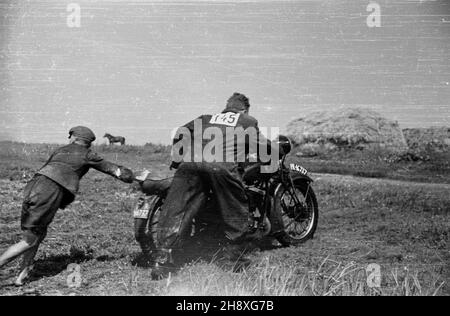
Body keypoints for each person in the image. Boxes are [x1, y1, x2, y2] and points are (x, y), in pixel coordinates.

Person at [150, 93, 289, 279]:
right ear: (244, 109)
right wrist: (278, 150)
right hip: (221, 167)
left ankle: (163, 261)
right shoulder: (247, 120)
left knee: (176, 210)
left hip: (190, 164)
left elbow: (180, 134)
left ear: (226, 107)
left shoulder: (206, 118)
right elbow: (264, 148)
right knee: (237, 209)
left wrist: (177, 160)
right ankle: (231, 259)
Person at [0, 126, 134, 286]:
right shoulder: (88, 154)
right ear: (88, 142)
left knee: (36, 233)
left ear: (74, 138)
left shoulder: (60, 150)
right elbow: (114, 170)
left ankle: (21, 276)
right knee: (30, 240)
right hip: (49, 192)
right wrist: (130, 176)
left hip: (33, 187)